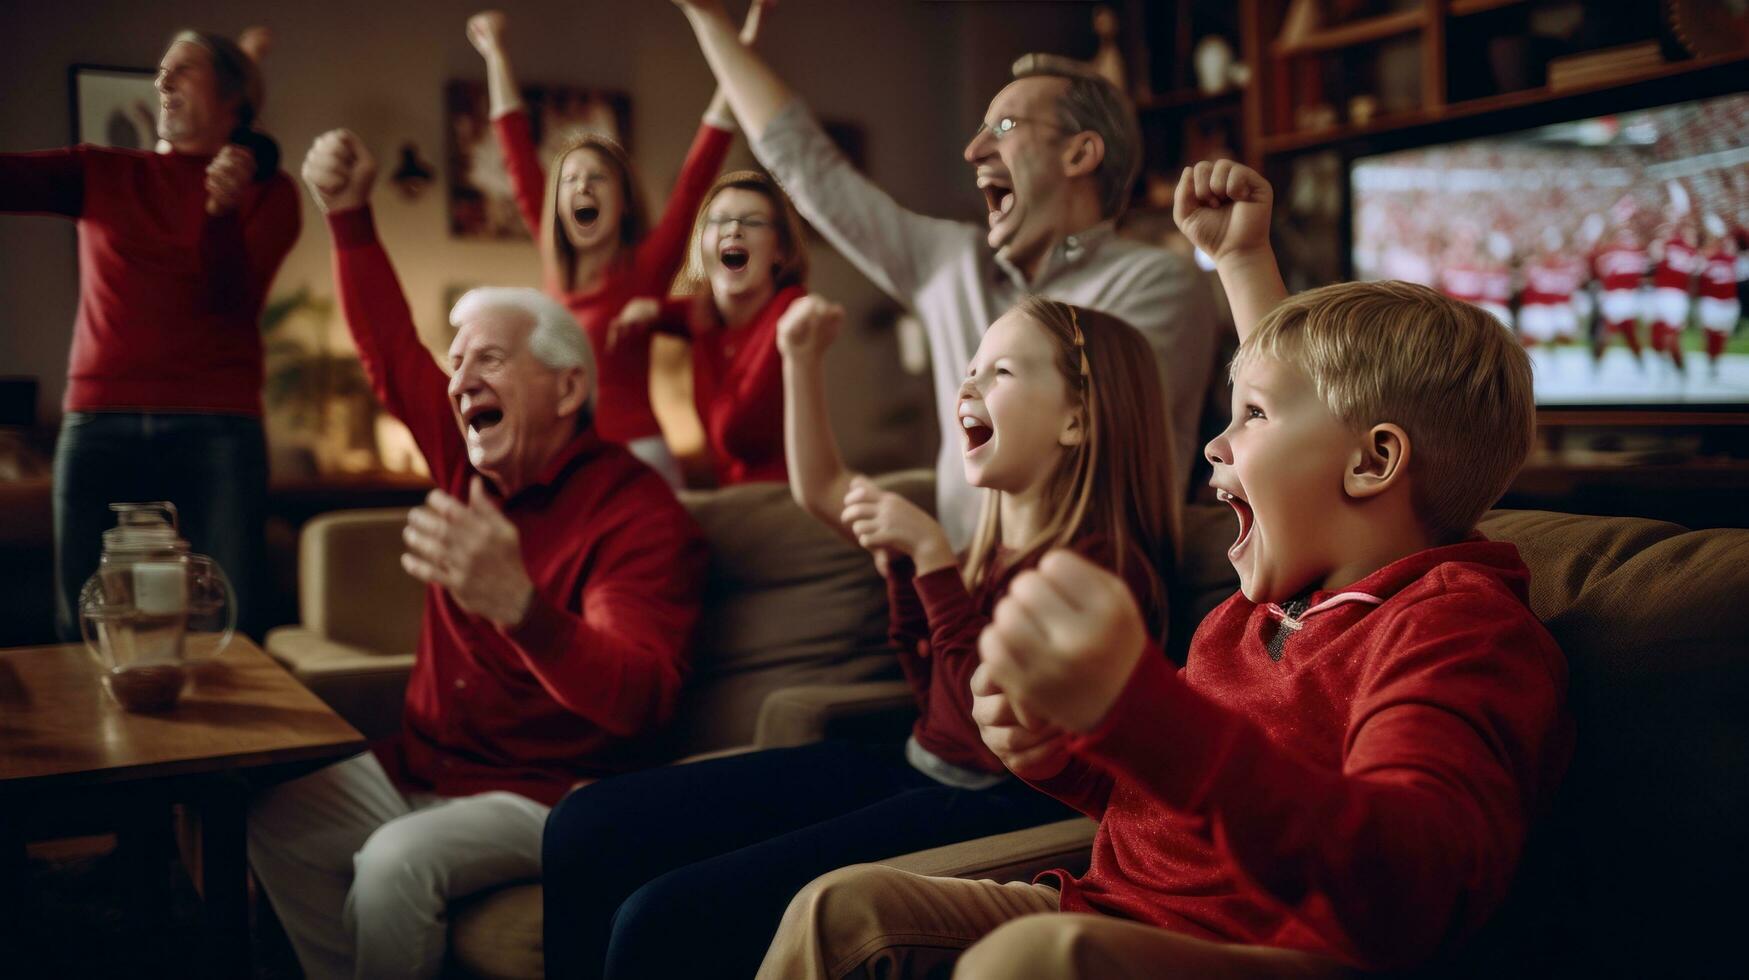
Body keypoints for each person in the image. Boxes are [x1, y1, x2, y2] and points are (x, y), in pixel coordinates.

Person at [757, 160, 1572, 980]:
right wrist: (1059, 758)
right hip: (1111, 907)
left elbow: (1405, 883)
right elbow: (1162, 806)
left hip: (1277, 952)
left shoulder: (1453, 625)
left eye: (1247, 419)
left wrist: (1143, 717)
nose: (1214, 447)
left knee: (1033, 960)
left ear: (1374, 464)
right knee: (838, 910)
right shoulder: (1253, 614)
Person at [539, 286, 1181, 979]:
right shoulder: (990, 552)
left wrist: (934, 565)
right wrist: (907, 580)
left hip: (981, 800)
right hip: (903, 761)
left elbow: (987, 738)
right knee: (587, 822)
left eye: (1000, 370)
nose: (968, 379)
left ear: (1076, 422)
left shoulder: (1102, 576)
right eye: (971, 364)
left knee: (660, 918)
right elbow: (932, 692)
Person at [246, 131, 708, 980]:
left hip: (551, 796)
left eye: (489, 359)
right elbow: (392, 355)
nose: (459, 381)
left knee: (393, 862)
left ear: (568, 387)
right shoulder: (464, 466)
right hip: (422, 770)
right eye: (458, 364)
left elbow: (641, 696)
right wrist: (347, 216)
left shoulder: (636, 512)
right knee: (277, 805)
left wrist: (522, 611)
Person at [670, 0, 1216, 548]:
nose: (974, 149)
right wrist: (709, 21)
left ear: (1079, 153)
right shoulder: (953, 263)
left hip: (1091, 609)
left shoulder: (1159, 283)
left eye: (1003, 127)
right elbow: (811, 170)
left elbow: (1086, 454)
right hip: (961, 595)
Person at [0, 28, 298, 641]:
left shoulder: (269, 192)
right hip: (97, 421)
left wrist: (220, 217)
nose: (162, 81)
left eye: (182, 70)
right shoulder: (100, 171)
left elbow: (231, 302)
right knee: (78, 624)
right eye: (161, 70)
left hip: (217, 425)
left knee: (234, 627)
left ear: (233, 98)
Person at [465, 5, 766, 485]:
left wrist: (740, 52)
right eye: (571, 180)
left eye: (597, 179)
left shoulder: (645, 265)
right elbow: (518, 158)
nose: (582, 187)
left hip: (639, 457)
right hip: (572, 457)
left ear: (623, 203)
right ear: (558, 206)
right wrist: (495, 55)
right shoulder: (554, 265)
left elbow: (698, 172)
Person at [607, 169, 810, 485]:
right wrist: (648, 310)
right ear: (703, 243)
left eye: (753, 221)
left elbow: (732, 433)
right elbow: (675, 312)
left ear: (780, 251)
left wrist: (700, 329)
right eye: (719, 221)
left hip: (779, 497)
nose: (734, 230)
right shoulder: (704, 314)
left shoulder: (790, 311)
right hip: (729, 496)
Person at [1648, 220, 1700, 373]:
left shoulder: (1680, 247)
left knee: (1668, 334)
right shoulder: (1685, 249)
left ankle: (1677, 365)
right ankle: (1674, 364)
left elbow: (1655, 253)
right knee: (1663, 332)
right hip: (1670, 295)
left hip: (1671, 295)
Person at [1592, 223, 1648, 364]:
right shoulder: (1637, 253)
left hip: (1617, 297)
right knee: (1626, 335)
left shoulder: (1610, 252)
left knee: (1611, 334)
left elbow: (1600, 268)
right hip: (1626, 297)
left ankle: (1596, 367)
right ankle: (1641, 366)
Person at [1697, 226, 1740, 377]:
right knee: (1710, 333)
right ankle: (1710, 359)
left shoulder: (1735, 260)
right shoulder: (1705, 259)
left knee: (1722, 335)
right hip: (1711, 301)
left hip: (1728, 302)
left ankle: (1715, 362)